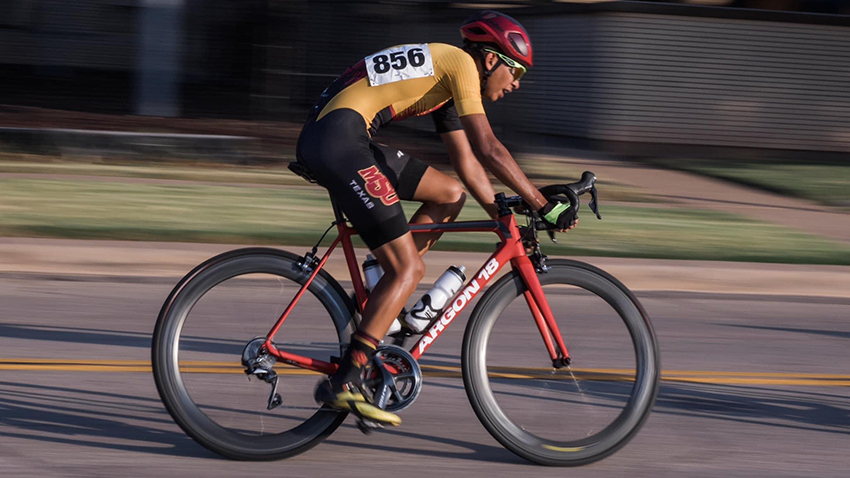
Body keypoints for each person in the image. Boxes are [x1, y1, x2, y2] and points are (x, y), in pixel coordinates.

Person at [295, 10, 577, 429]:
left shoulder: (447, 75)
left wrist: (503, 212)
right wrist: (541, 203)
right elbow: (489, 148)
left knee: (448, 195)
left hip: (341, 135)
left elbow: (467, 165)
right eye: (515, 70)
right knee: (409, 267)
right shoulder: (460, 64)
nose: (516, 83)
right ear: (490, 60)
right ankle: (348, 379)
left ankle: (382, 284)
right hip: (339, 140)